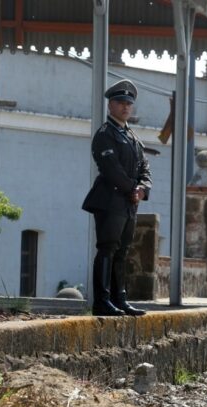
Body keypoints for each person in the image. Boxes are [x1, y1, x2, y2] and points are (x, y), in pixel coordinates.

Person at [82, 80, 152, 316]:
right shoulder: (105, 134)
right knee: (107, 248)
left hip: (129, 202)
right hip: (110, 200)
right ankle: (102, 301)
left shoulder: (132, 137)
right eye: (120, 103)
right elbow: (111, 169)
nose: (125, 107)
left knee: (122, 251)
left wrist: (143, 188)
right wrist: (133, 188)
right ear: (110, 105)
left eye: (128, 104)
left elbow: (145, 167)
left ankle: (119, 298)